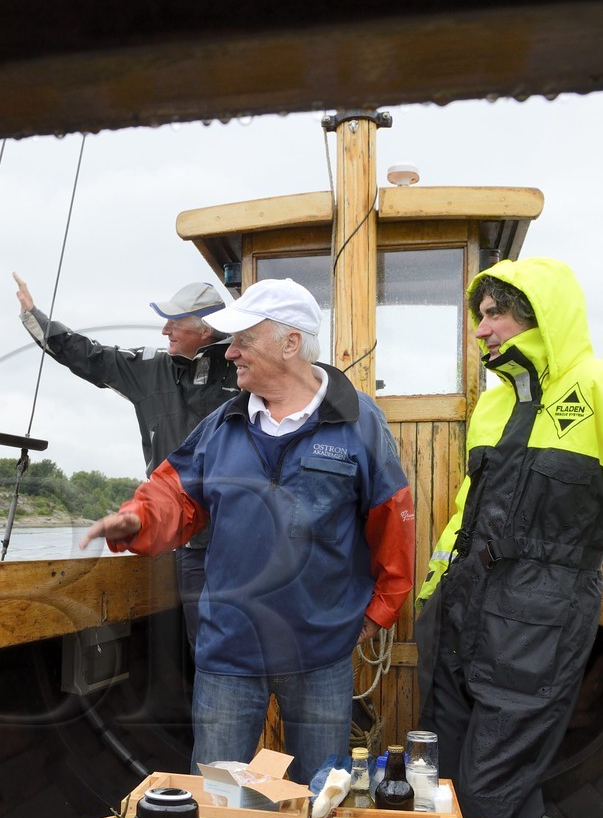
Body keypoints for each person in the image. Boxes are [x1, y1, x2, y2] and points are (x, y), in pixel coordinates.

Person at [81, 278, 415, 784]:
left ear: (290, 342)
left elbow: (392, 519)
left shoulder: (361, 422)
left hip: (320, 651)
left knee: (322, 795)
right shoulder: (220, 425)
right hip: (229, 648)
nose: (230, 352)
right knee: (214, 799)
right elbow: (172, 494)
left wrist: (379, 611)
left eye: (243, 341)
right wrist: (136, 520)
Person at [415, 257, 603, 818]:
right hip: (460, 614)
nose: (482, 330)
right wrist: (432, 588)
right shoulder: (494, 404)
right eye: (479, 316)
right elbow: (469, 511)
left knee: (493, 788)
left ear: (537, 315)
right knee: (437, 778)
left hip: (540, 618)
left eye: (496, 314)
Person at [13, 272, 237, 645]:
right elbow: (90, 356)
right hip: (187, 542)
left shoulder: (244, 370)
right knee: (207, 647)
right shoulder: (149, 368)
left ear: (208, 329)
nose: (165, 330)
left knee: (257, 642)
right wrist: (34, 317)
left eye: (176, 321)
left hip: (242, 539)